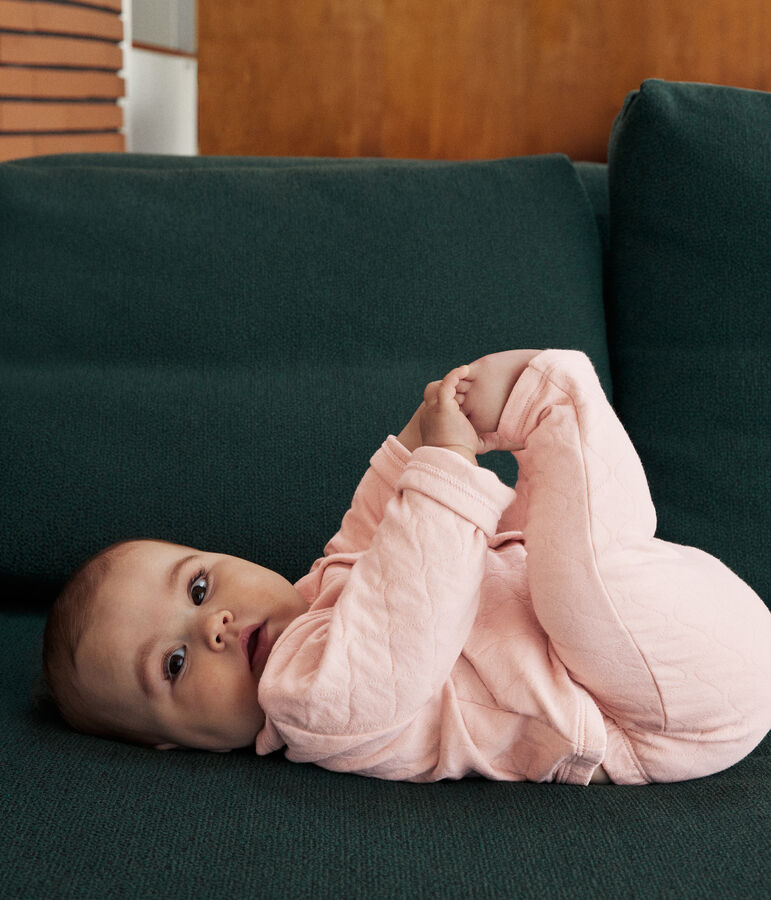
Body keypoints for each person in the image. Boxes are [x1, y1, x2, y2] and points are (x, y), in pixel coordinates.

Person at [41, 350, 771, 785]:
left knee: (574, 556)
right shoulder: (310, 704)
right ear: (173, 745)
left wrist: (417, 438)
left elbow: (366, 541)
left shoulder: (314, 603)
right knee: (576, 574)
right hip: (647, 711)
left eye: (198, 588)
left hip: (668, 630)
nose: (215, 628)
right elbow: (407, 618)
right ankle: (548, 400)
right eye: (171, 664)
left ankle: (551, 417)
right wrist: (448, 464)